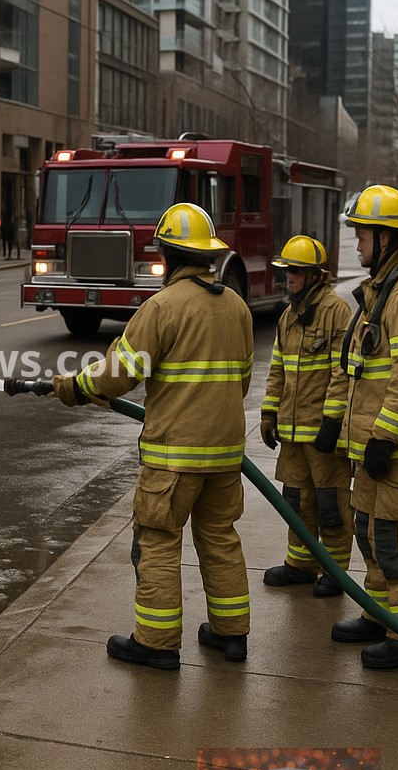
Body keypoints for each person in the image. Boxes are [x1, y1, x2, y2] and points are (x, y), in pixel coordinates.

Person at [50, 202, 253, 671]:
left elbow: (118, 376)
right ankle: (232, 635)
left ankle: (157, 644)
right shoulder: (237, 307)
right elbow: (242, 380)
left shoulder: (162, 307)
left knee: (159, 539)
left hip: (173, 458)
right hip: (224, 455)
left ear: (167, 255)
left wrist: (71, 387)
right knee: (220, 537)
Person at [259, 235, 353, 597]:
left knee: (331, 506)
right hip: (294, 436)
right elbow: (278, 369)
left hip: (323, 434)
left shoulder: (335, 312)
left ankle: (336, 573)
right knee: (297, 503)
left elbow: (341, 372)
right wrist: (269, 413)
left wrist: (332, 422)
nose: (289, 279)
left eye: (295, 272)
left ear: (315, 276)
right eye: (286, 272)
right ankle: (300, 565)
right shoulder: (288, 316)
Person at [333, 184, 398, 669]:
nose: (357, 247)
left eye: (363, 237)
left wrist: (385, 436)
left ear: (388, 238)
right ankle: (378, 615)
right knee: (368, 531)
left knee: (392, 541)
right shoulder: (380, 291)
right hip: (369, 445)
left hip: (389, 448)